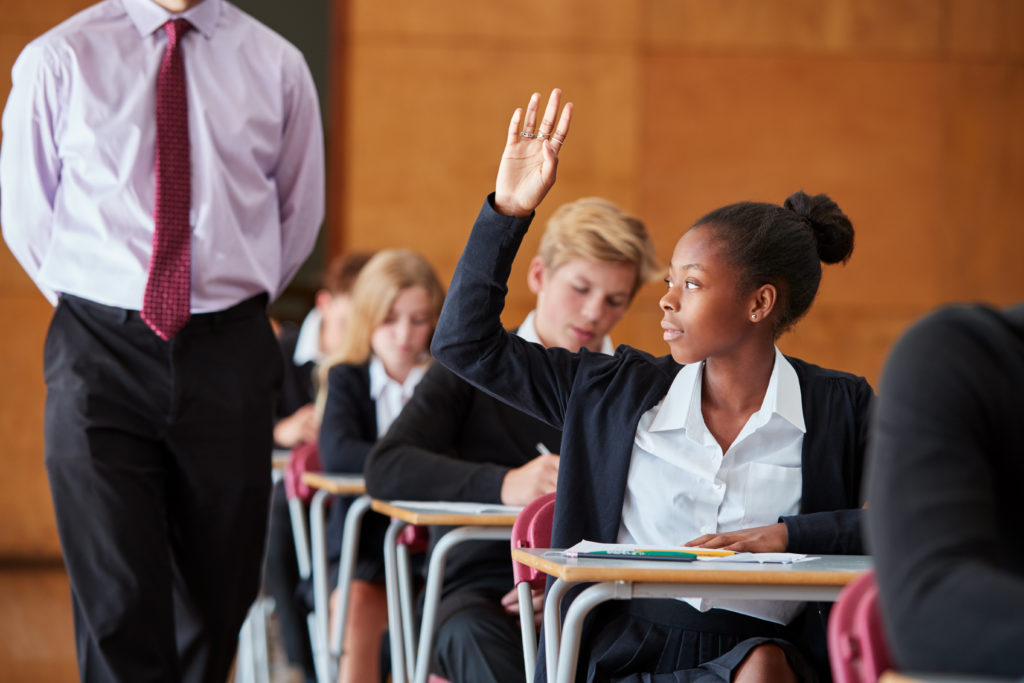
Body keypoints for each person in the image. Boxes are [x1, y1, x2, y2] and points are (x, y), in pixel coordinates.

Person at [431, 89, 872, 682]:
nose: (665, 300)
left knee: (763, 666)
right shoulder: (611, 390)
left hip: (767, 657)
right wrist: (507, 213)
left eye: (691, 284)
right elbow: (464, 343)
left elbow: (924, 513)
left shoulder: (841, 407)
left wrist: (789, 535)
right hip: (622, 653)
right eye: (669, 281)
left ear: (759, 302)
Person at [0, 0, 324, 680]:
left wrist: (228, 302)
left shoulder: (278, 65)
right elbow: (28, 216)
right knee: (117, 599)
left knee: (217, 596)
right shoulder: (58, 60)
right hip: (100, 349)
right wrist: (106, 306)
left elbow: (298, 215)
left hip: (229, 349)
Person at [364, 197, 660, 683]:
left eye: (615, 300)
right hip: (479, 591)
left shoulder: (635, 387)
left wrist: (580, 591)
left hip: (596, 593)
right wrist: (505, 484)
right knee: (475, 638)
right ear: (539, 275)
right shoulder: (466, 370)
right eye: (581, 288)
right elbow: (386, 467)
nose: (593, 313)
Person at [865, 303, 1024, 678]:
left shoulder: (841, 395)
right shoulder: (961, 358)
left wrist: (790, 531)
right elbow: (927, 607)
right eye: (692, 284)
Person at [317, 248, 445, 683]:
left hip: (435, 550)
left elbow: (463, 457)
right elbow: (338, 454)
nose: (404, 335)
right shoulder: (346, 378)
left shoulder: (446, 382)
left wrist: (396, 467)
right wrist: (421, 467)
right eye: (390, 319)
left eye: (418, 319)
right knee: (356, 606)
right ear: (367, 317)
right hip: (363, 551)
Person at [264, 251, 373, 683]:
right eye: (352, 320)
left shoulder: (371, 362)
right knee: (281, 513)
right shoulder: (280, 353)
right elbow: (232, 425)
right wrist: (280, 429)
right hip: (284, 508)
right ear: (325, 304)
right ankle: (303, 665)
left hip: (345, 502)